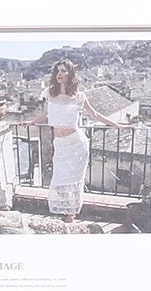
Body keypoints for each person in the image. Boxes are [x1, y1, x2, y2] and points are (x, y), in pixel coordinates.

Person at [38, 60, 120, 221]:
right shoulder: (49, 93)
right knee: (59, 182)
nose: (59, 74)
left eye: (63, 71)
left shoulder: (79, 97)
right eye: (57, 71)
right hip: (60, 145)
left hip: (77, 144)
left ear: (70, 74)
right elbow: (47, 114)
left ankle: (71, 215)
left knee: (74, 181)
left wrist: (118, 125)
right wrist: (30, 122)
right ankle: (70, 210)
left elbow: (94, 115)